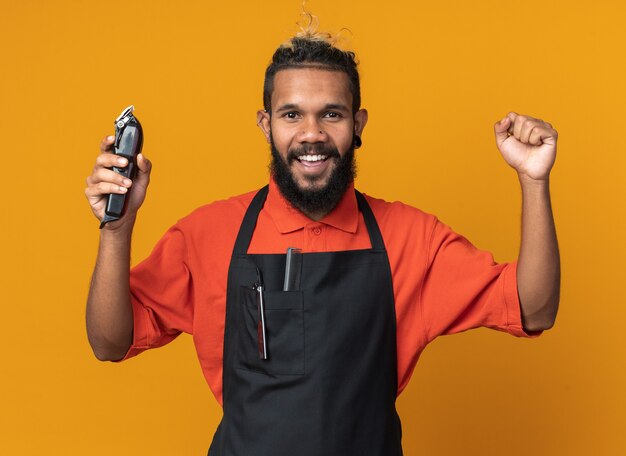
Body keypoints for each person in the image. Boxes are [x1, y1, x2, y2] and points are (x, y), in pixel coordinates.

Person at [84, 20, 560, 456]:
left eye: (331, 114)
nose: (311, 134)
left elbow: (534, 308)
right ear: (266, 125)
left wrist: (534, 182)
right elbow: (109, 342)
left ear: (358, 125)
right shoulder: (207, 236)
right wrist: (117, 230)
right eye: (291, 116)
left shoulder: (411, 238)